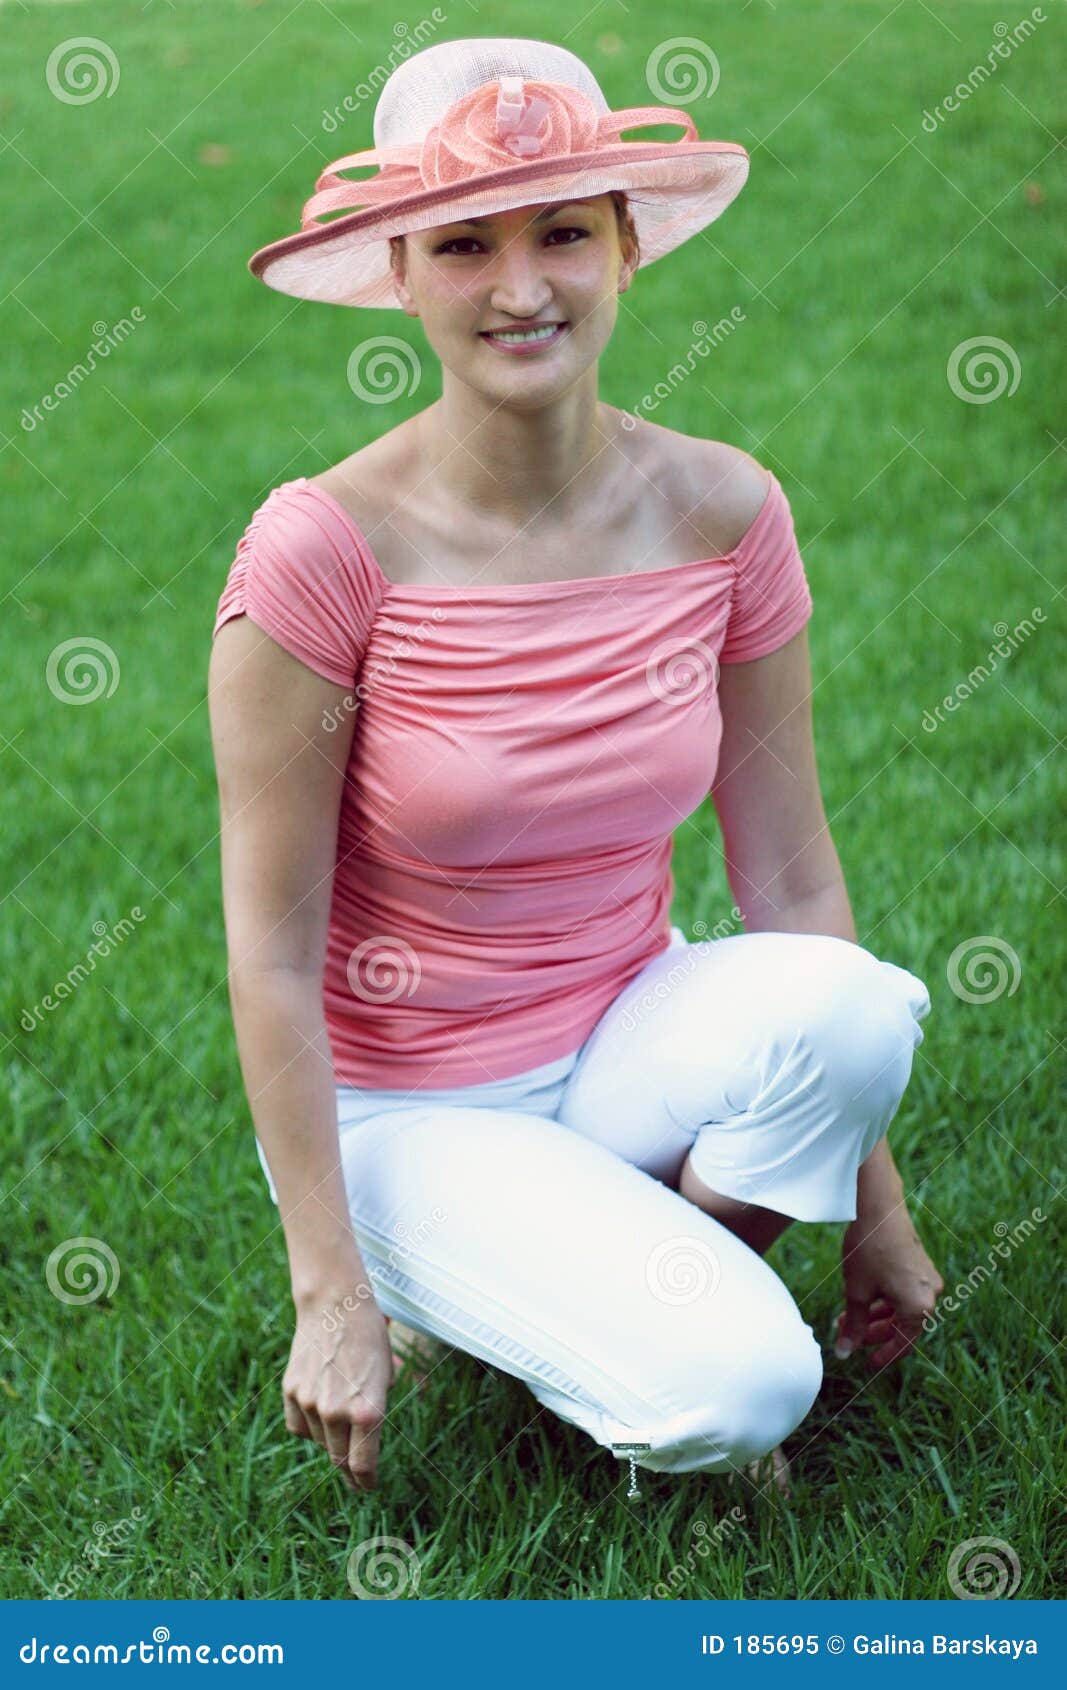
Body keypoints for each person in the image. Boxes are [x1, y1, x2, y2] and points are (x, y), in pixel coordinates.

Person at [207, 37, 943, 1503]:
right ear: (400, 272)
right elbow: (271, 953)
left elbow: (793, 878)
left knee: (862, 1008)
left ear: (626, 245)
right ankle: (489, 1304)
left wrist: (880, 1207)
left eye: (561, 233)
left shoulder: (725, 510)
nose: (521, 287)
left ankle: (604, 1288)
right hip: (413, 1113)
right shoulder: (322, 551)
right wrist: (330, 1290)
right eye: (464, 245)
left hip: (624, 1038)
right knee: (748, 1387)